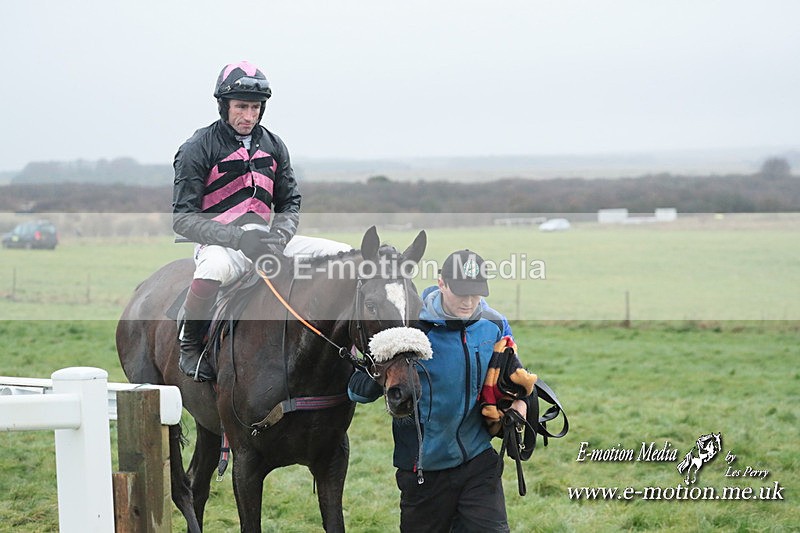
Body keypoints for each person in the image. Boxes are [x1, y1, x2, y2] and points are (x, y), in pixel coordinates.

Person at [348, 249, 529, 532]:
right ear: (441, 283)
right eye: (460, 292)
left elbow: (513, 375)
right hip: (423, 472)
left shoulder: (494, 325)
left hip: (478, 461)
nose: (469, 301)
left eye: (476, 293)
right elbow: (356, 391)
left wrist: (521, 403)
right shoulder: (411, 325)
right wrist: (386, 366)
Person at [172, 60, 310, 381]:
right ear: (224, 106)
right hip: (219, 243)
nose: (249, 116)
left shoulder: (275, 145)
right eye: (241, 107)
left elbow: (290, 203)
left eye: (255, 108)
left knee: (335, 255)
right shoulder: (196, 148)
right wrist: (237, 239)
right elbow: (182, 219)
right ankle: (189, 345)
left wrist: (280, 236)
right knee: (213, 269)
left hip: (267, 241)